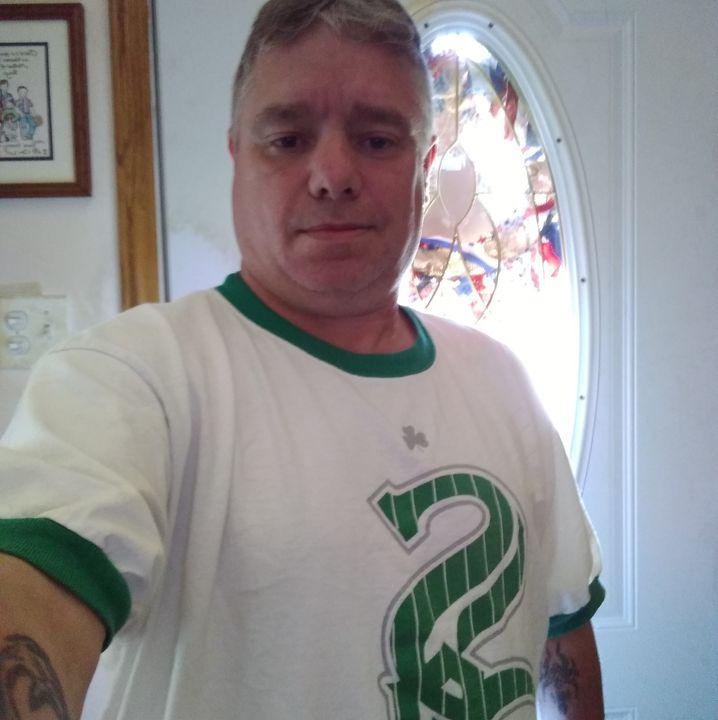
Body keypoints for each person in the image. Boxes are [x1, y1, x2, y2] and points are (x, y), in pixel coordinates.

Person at [0, 1, 605, 718]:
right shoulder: (133, 377)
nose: (333, 174)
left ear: (424, 166)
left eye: (378, 140)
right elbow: (32, 589)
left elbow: (562, 622)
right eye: (287, 139)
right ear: (238, 157)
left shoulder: (501, 379)